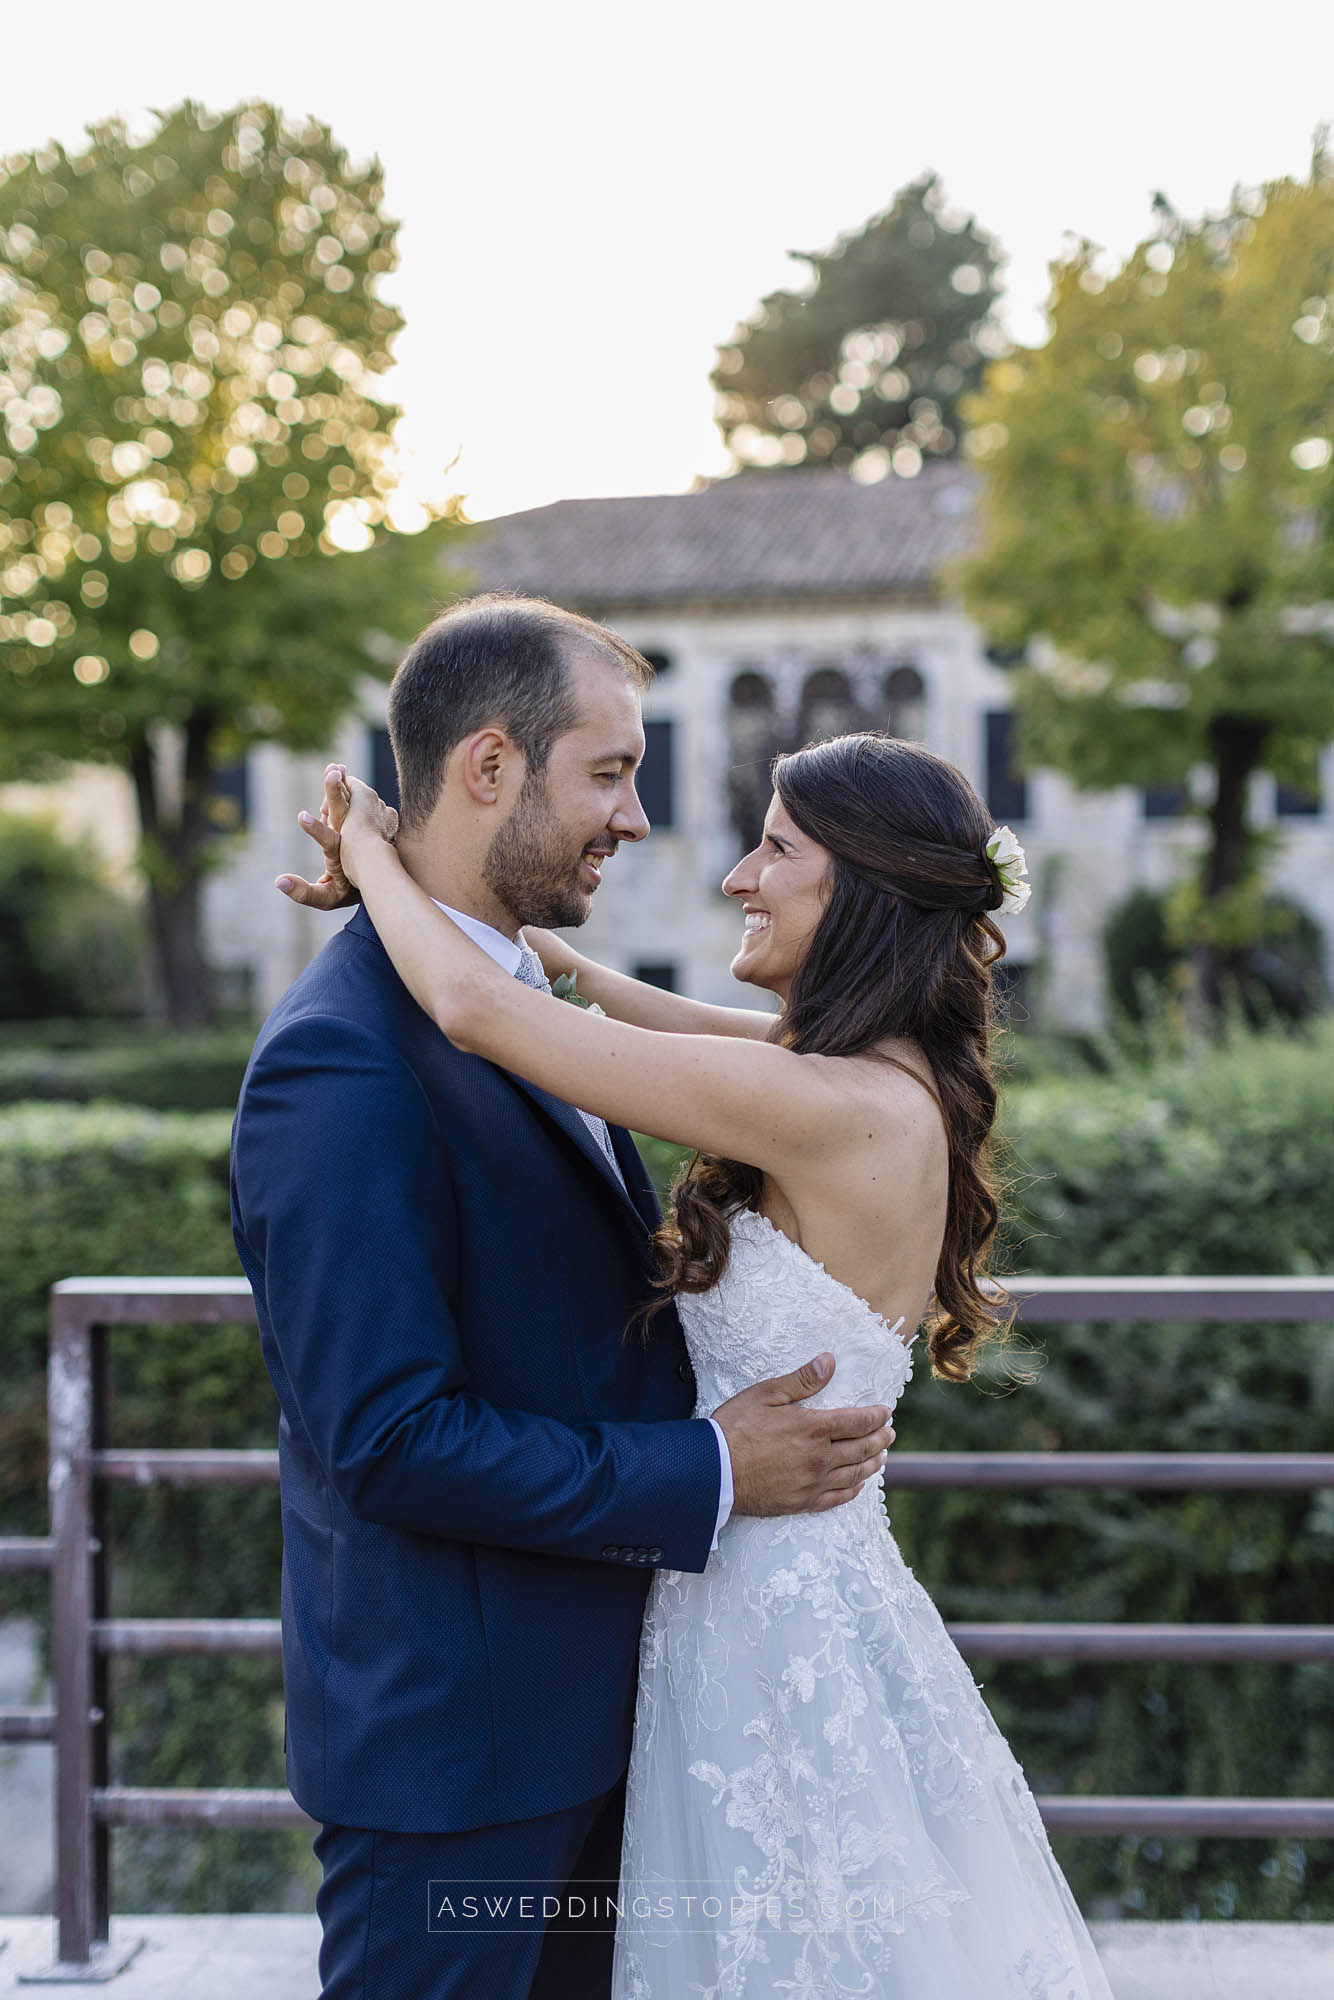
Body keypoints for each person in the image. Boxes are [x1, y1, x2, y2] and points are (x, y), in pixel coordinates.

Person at [300, 715, 1116, 2000]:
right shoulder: (862, 1076)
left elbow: (471, 1006)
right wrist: (440, 876)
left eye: (774, 847)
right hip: (783, 1576)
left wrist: (368, 844)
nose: (737, 874)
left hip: (758, 1598)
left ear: (857, 891)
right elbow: (588, 995)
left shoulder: (816, 1101)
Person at [231, 594, 896, 2000]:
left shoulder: (522, 998)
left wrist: (386, 864)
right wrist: (708, 1466)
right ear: (489, 767)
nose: (639, 820)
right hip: (457, 1765)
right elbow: (388, 1439)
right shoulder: (342, 1060)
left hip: (617, 1722)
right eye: (609, 772)